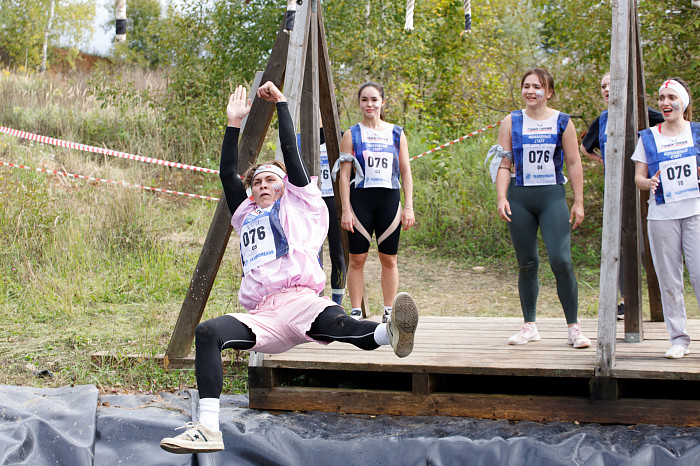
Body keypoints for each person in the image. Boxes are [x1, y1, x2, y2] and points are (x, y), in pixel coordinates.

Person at [159, 82, 419, 454]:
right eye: (258, 181)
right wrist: (234, 124)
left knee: (342, 326)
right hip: (263, 314)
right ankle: (208, 428)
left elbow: (292, 155)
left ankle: (390, 333)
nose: (263, 185)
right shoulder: (246, 213)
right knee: (207, 332)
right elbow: (227, 173)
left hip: (301, 300)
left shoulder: (302, 203)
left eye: (271, 180)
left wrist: (281, 104)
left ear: (286, 187)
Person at [493, 67, 591, 348]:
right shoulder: (511, 121)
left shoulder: (563, 121)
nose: (531, 91)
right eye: (526, 86)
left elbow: (574, 162)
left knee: (561, 261)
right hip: (519, 197)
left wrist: (578, 200)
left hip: (552, 197)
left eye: (537, 87)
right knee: (527, 263)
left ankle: (574, 328)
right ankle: (529, 326)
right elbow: (504, 162)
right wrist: (501, 197)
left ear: (548, 92)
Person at [580, 71, 665, 320]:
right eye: (603, 86)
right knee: (618, 246)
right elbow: (585, 147)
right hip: (615, 193)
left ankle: (660, 301)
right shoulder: (603, 119)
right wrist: (603, 160)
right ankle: (626, 302)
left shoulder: (643, 113)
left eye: (611, 84)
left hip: (645, 189)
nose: (607, 89)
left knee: (646, 246)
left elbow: (670, 129)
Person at [336, 81, 415, 322]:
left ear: (382, 102)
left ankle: (389, 310)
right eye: (364, 100)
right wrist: (346, 210)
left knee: (389, 258)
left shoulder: (396, 133)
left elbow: (406, 171)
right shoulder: (352, 134)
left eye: (374, 99)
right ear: (359, 103)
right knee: (357, 258)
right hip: (361, 201)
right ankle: (356, 310)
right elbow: (344, 175)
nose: (369, 104)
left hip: (389, 200)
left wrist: (409, 206)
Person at [632, 77, 699, 359]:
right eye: (661, 98)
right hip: (661, 217)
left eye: (671, 97)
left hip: (695, 212)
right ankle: (678, 338)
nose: (665, 103)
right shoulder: (649, 136)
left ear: (683, 101)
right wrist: (648, 184)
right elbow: (638, 177)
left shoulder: (697, 132)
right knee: (669, 279)